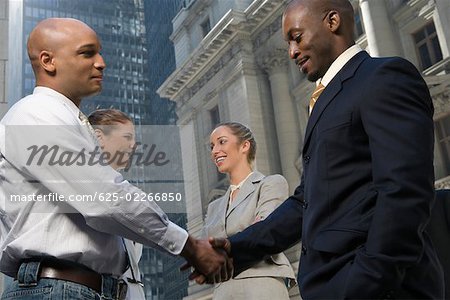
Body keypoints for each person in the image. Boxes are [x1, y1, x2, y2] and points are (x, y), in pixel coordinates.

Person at [193, 0, 445, 298]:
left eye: (297, 37)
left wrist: (366, 279)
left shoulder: (384, 77)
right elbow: (306, 202)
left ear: (333, 21)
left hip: (381, 287)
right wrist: (236, 249)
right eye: (287, 43)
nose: (291, 52)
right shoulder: (326, 99)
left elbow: (404, 191)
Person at [0, 18, 231, 300]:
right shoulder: (36, 114)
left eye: (99, 52)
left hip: (81, 289)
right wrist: (190, 247)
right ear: (48, 61)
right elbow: (105, 199)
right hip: (56, 290)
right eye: (87, 53)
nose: (101, 62)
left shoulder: (69, 120)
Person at [205, 122, 296, 299]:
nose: (215, 151)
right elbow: (202, 253)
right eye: (211, 146)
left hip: (260, 283)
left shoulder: (270, 184)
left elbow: (263, 233)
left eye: (222, 142)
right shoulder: (213, 207)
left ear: (244, 146)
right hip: (222, 290)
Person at [88, 108, 144, 300]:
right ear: (99, 137)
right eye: (127, 136)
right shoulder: (82, 187)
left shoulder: (128, 193)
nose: (133, 144)